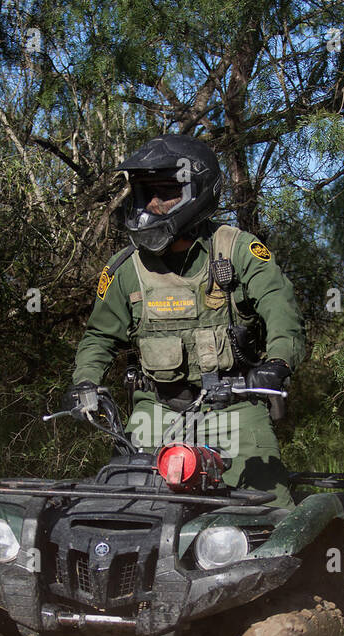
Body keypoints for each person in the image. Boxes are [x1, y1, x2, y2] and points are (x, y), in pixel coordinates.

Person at [62, 134, 305, 506]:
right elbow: (99, 336)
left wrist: (278, 364)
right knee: (124, 507)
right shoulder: (125, 269)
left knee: (267, 510)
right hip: (156, 411)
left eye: (166, 193)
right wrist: (85, 382)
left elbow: (281, 309)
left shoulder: (237, 250)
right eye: (146, 194)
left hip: (235, 408)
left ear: (199, 192)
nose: (153, 204)